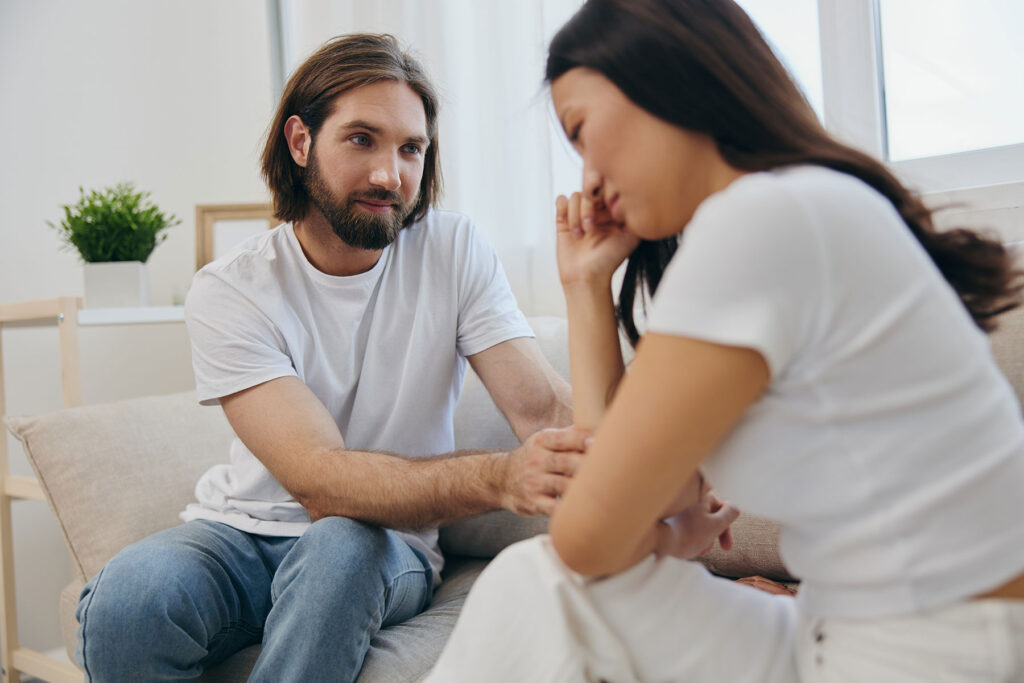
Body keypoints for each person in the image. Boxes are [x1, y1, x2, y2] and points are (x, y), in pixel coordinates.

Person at [425, 0, 1024, 680]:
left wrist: (666, 531)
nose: (586, 177)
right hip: (871, 628)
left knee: (541, 580)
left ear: (660, 75)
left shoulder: (762, 221)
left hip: (937, 651)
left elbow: (590, 535)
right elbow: (621, 504)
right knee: (545, 583)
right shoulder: (789, 207)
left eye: (583, 132)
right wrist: (588, 289)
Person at [74, 34, 580, 682]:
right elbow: (319, 479)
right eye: (362, 139)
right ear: (300, 141)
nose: (388, 174)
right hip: (242, 535)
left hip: (380, 543)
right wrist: (497, 477)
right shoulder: (231, 287)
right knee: (129, 599)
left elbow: (545, 411)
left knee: (340, 545)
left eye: (411, 148)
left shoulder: (453, 250)